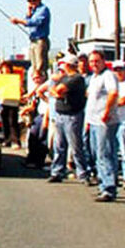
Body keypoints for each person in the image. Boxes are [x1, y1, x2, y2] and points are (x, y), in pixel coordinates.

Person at [48, 55, 92, 183]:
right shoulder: (65, 78)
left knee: (76, 145)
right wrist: (56, 91)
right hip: (60, 114)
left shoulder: (76, 79)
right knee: (59, 145)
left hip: (72, 115)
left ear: (68, 65)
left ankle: (83, 173)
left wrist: (56, 91)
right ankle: (57, 171)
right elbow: (55, 91)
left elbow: (58, 91)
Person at [85, 51, 120, 202]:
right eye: (91, 61)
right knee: (96, 154)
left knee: (105, 153)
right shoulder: (94, 77)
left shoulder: (108, 75)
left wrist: (107, 111)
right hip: (92, 121)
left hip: (104, 122)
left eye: (96, 61)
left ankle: (109, 188)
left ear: (104, 61)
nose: (94, 64)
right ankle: (102, 184)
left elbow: (113, 93)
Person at [10, 0, 50, 76]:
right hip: (33, 40)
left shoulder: (43, 9)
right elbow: (27, 21)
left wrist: (18, 21)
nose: (32, 2)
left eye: (34, 0)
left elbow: (34, 22)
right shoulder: (33, 11)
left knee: (40, 66)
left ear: (39, 0)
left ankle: (43, 82)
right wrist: (28, 13)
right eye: (30, 1)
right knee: (34, 66)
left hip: (40, 40)